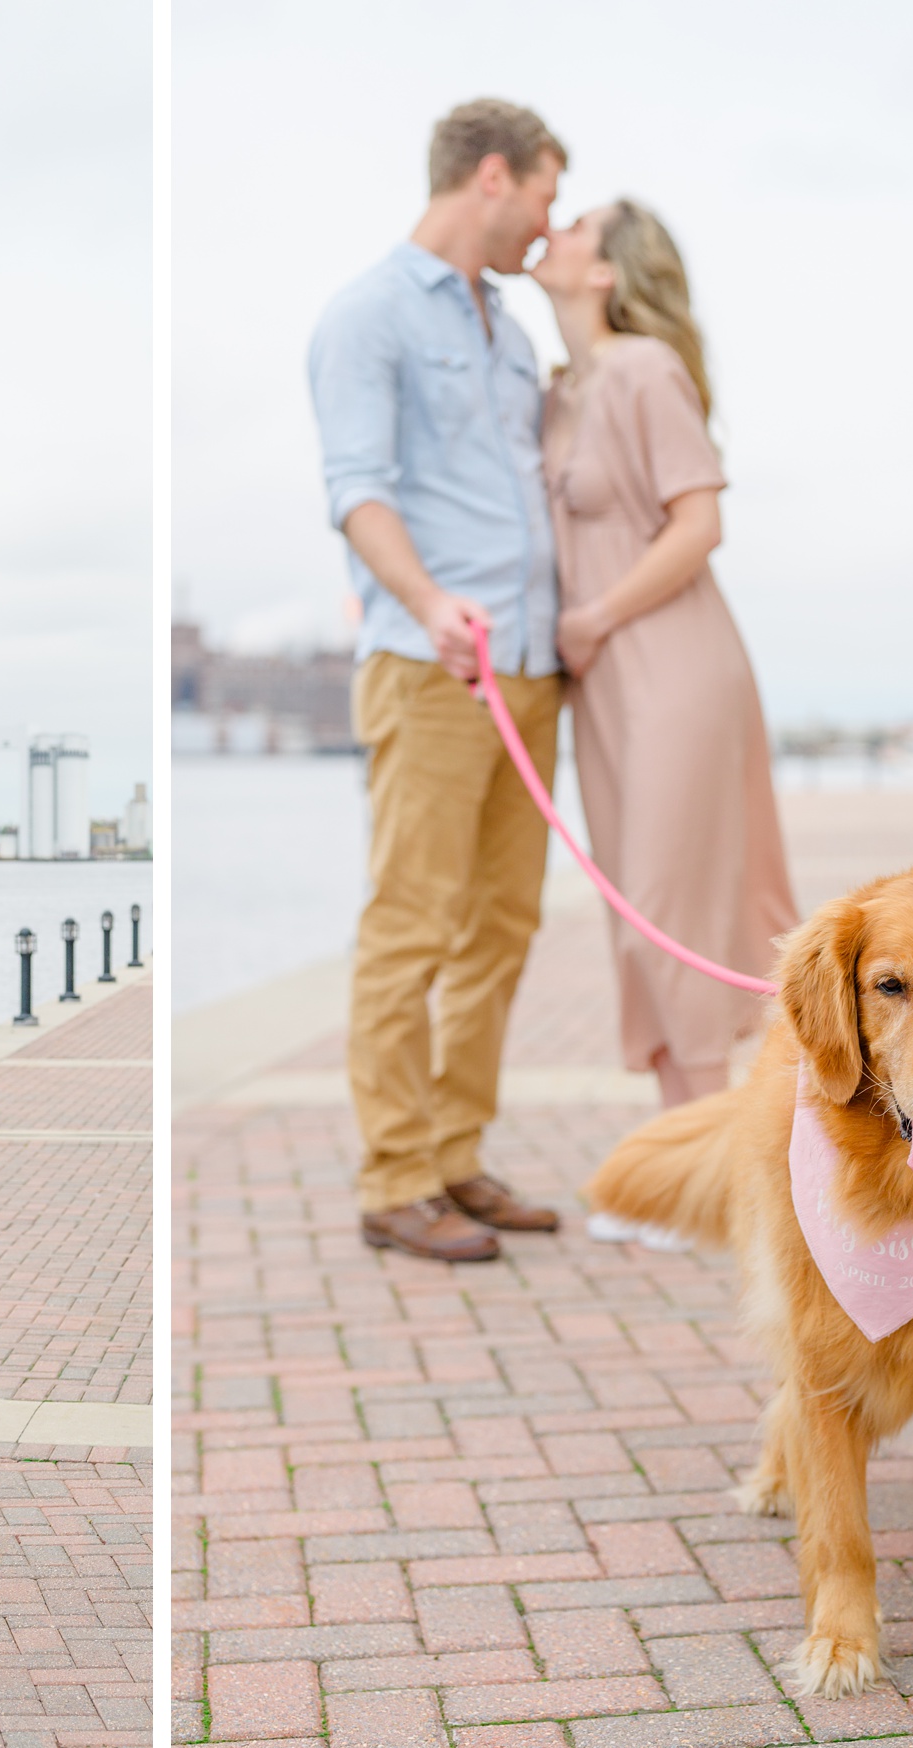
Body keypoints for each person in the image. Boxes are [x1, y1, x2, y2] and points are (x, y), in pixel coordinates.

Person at [308, 98, 571, 1263]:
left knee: (503, 926)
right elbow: (357, 487)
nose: (548, 226)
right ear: (495, 178)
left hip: (529, 667)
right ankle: (396, 1178)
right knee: (411, 927)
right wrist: (426, 602)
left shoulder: (512, 329)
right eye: (548, 198)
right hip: (431, 669)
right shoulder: (368, 315)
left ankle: (456, 1155)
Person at [531, 199, 798, 1244]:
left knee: (672, 907)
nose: (554, 233)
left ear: (606, 272)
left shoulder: (645, 370)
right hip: (601, 685)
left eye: (577, 227)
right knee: (633, 918)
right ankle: (687, 1166)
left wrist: (595, 613)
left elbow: (701, 522)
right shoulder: (560, 394)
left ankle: (710, 1186)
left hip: (673, 663)